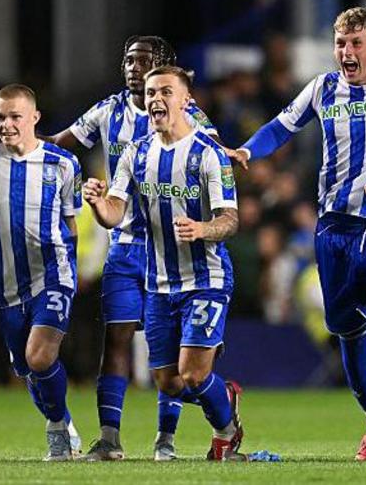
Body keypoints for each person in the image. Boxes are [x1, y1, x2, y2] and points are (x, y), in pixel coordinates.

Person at [0, 35, 218, 461]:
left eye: (142, 61)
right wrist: (6, 133)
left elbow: (212, 163)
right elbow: (58, 142)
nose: (133, 68)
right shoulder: (108, 110)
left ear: (164, 66)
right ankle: (109, 438)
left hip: (171, 248)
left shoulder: (189, 114)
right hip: (124, 244)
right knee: (115, 339)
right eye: (127, 60)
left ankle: (167, 437)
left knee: (169, 362)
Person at [227, 7, 366, 461]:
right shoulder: (323, 89)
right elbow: (280, 127)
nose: (346, 52)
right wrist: (250, 150)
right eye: (340, 44)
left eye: (354, 44)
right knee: (349, 337)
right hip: (333, 231)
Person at [83, 65, 246, 462]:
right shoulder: (136, 155)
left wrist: (202, 229)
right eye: (152, 92)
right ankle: (224, 399)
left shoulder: (209, 156)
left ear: (186, 99)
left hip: (206, 278)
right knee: (168, 382)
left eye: (166, 92)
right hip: (158, 284)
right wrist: (98, 203)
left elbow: (230, 220)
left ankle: (226, 431)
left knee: (192, 373)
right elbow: (116, 212)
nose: (156, 99)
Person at [0, 84, 83, 460]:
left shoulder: (63, 164)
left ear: (34, 118)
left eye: (15, 116)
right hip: (4, 284)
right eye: (0, 116)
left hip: (53, 274)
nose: (6, 124)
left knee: (39, 356)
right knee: (27, 369)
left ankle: (55, 431)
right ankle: (64, 421)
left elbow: (71, 224)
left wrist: (70, 268)